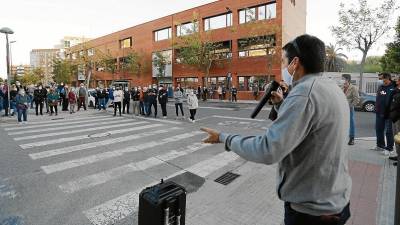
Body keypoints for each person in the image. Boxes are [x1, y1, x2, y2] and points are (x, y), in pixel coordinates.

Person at [202, 35, 351, 225]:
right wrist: (282, 105)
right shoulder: (331, 87)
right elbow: (310, 127)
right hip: (335, 198)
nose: (283, 66)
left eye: (284, 61)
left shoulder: (304, 93)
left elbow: (268, 150)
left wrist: (224, 138)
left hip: (312, 211)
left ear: (295, 62)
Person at [375, 72, 396, 156]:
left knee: (389, 131)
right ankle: (380, 145)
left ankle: (389, 148)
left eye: (381, 78)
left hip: (389, 114)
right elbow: (378, 99)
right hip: (379, 112)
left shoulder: (394, 87)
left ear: (387, 78)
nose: (379, 80)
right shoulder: (381, 87)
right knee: (379, 129)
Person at [340, 74, 360, 145]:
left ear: (347, 79)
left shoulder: (353, 88)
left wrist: (351, 106)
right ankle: (344, 137)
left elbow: (357, 99)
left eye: (342, 78)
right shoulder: (341, 87)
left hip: (349, 108)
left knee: (351, 123)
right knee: (342, 123)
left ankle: (352, 138)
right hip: (342, 108)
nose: (341, 80)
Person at [389, 75, 400, 165]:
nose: (395, 80)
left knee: (399, 138)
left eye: (397, 79)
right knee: (396, 138)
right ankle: (398, 155)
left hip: (398, 118)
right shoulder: (396, 89)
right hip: (394, 117)